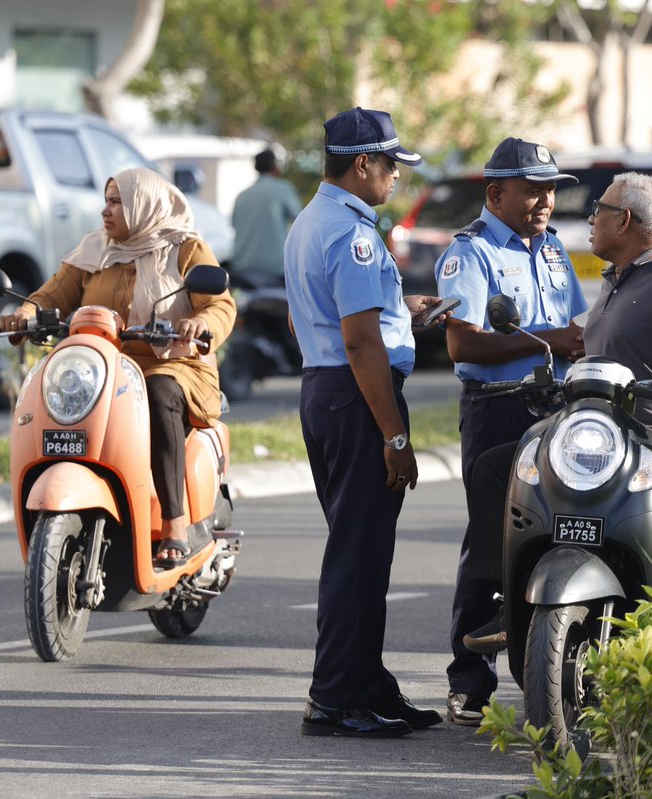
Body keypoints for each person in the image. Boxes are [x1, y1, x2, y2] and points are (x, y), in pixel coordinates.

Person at [458, 172, 652, 654]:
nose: (590, 218)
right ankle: (508, 598)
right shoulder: (614, 281)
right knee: (497, 468)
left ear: (624, 220)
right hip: (601, 444)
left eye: (599, 210)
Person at [284, 107, 446, 739]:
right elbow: (358, 344)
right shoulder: (351, 233)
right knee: (357, 554)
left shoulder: (313, 219)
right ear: (363, 164)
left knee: (364, 551)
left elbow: (324, 316)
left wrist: (400, 312)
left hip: (328, 391)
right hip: (357, 397)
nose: (396, 179)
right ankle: (334, 698)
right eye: (392, 167)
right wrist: (396, 437)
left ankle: (366, 682)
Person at [0, 167, 236, 566]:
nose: (105, 211)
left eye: (117, 202)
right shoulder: (95, 250)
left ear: (144, 206)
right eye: (106, 201)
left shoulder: (183, 248)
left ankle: (174, 522)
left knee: (160, 394)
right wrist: (25, 312)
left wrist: (200, 323)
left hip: (173, 363)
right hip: (103, 369)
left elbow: (221, 305)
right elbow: (52, 294)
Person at [434, 137, 588, 727]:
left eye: (551, 189)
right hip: (498, 407)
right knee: (491, 540)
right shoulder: (469, 254)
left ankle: (548, 674)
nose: (545, 201)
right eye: (533, 189)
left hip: (556, 407)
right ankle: (468, 681)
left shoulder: (551, 250)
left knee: (556, 534)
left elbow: (574, 327)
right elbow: (463, 342)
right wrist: (547, 340)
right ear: (496, 193)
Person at [230, 147, 303, 285]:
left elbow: (234, 226)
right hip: (275, 271)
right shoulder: (283, 189)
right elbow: (301, 221)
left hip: (242, 271)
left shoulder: (242, 196)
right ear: (275, 167)